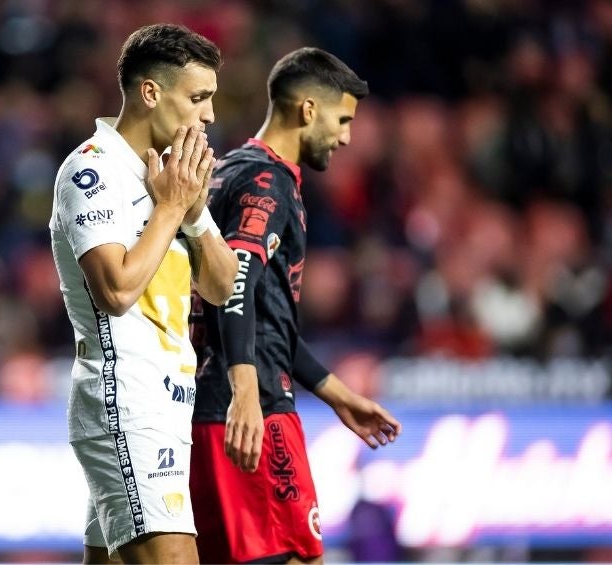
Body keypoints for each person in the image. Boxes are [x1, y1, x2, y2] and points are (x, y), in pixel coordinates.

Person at [189, 47, 402, 564]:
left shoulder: (229, 171)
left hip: (207, 403)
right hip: (251, 407)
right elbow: (234, 284)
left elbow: (265, 314)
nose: (347, 136)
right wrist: (246, 393)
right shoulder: (269, 181)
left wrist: (336, 394)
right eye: (342, 119)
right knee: (298, 557)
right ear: (308, 110)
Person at [49, 24, 238, 565]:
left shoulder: (170, 179)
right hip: (126, 402)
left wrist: (195, 212)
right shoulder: (91, 170)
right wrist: (173, 209)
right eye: (199, 98)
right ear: (150, 93)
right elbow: (115, 289)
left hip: (165, 406)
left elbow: (222, 286)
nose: (209, 116)